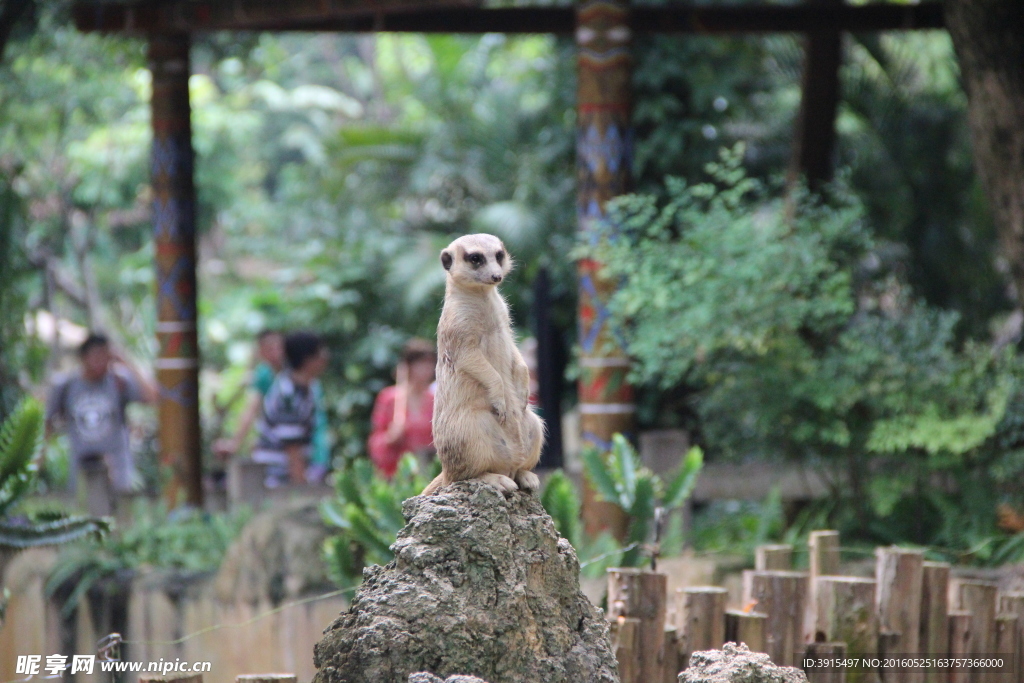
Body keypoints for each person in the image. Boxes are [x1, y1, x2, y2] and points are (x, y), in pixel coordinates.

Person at [45, 332, 158, 503]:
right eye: (97, 356)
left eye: (106, 356)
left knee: (120, 520)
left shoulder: (119, 381)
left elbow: (153, 397)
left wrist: (126, 361)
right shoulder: (66, 386)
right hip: (82, 472)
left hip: (117, 473)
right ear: (83, 358)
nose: (102, 362)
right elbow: (47, 422)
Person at [215, 329, 332, 480]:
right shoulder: (285, 392)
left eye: (278, 347)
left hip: (307, 457)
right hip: (279, 474)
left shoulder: (309, 386)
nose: (276, 353)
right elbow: (292, 450)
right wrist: (235, 443)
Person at [252, 331, 329, 487]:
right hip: (277, 479)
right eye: (321, 352)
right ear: (308, 359)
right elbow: (292, 450)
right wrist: (302, 489)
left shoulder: (308, 387)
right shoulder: (288, 394)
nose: (326, 356)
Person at [368, 338, 436, 479]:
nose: (426, 370)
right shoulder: (389, 398)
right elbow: (375, 441)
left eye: (429, 364)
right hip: (396, 475)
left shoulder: (436, 400)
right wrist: (390, 438)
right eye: (421, 364)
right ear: (409, 367)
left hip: (427, 474)